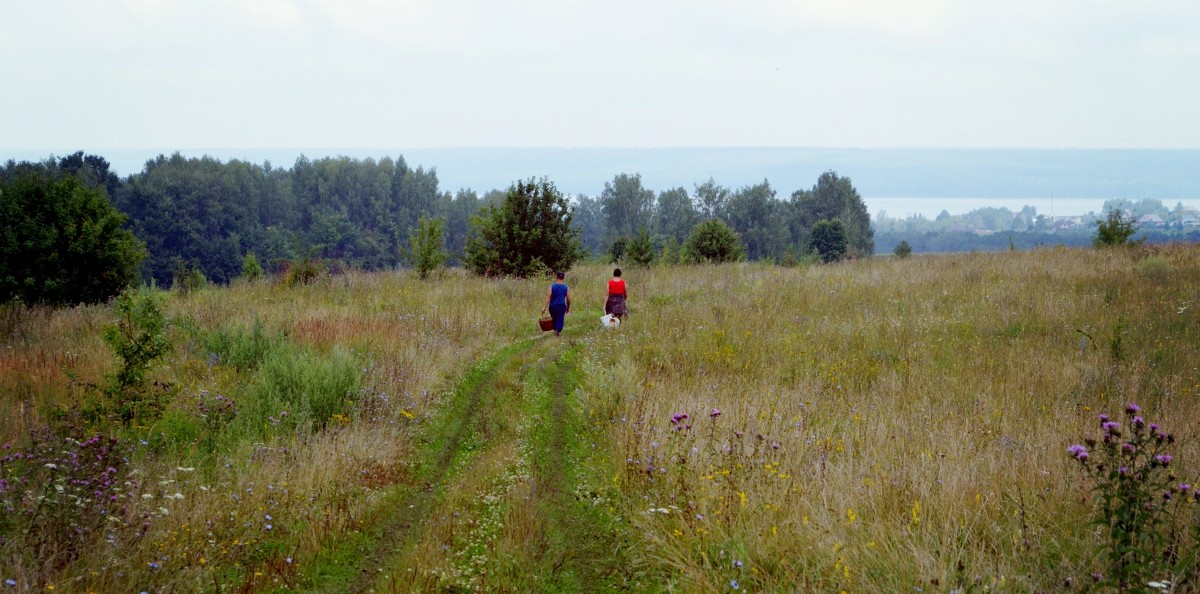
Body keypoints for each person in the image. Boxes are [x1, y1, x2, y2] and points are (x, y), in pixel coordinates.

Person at [541, 271, 571, 336]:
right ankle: (557, 330)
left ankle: (556, 330)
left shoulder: (552, 286)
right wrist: (568, 307)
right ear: (563, 278)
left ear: (556, 277)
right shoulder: (566, 287)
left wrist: (544, 307)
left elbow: (548, 297)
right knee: (560, 318)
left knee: (554, 319)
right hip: (561, 306)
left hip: (553, 306)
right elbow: (568, 299)